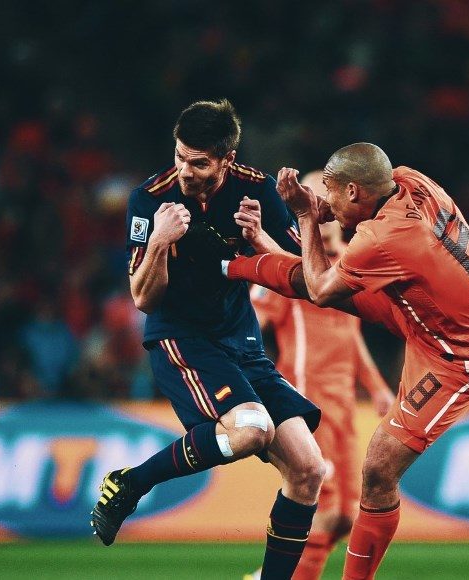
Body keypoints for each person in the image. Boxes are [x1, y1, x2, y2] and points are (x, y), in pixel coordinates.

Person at [224, 143, 469, 579]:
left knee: (377, 470)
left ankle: (227, 265)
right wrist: (277, 236)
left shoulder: (381, 239)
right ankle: (228, 265)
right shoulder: (409, 180)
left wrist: (305, 215)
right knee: (340, 507)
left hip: (463, 354)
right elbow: (323, 283)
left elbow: (320, 289)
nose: (326, 202)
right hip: (430, 319)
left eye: (330, 191)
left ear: (354, 191)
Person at [90, 99, 326, 580]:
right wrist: (159, 241)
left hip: (242, 341)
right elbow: (143, 299)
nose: (185, 171)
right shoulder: (150, 199)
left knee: (308, 470)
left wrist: (261, 240)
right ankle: (131, 483)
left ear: (227, 159)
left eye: (199, 163)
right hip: (182, 338)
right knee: (252, 428)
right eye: (180, 156)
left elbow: (305, 280)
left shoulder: (256, 189)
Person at [248, 172, 394, 580]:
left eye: (327, 198)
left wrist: (377, 387)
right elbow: (252, 323)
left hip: (343, 401)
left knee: (346, 515)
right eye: (314, 198)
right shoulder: (291, 264)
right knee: (325, 510)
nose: (323, 207)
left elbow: (350, 333)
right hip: (308, 399)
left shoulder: (350, 258)